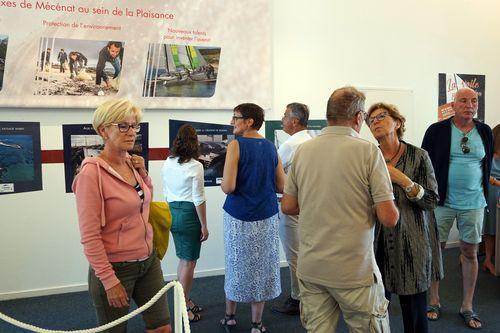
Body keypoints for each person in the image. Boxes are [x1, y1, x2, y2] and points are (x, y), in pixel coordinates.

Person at [282, 86, 399, 333]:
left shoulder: (303, 151)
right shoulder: (368, 151)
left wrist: (319, 203)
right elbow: (389, 218)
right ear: (358, 118)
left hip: (312, 268)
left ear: (328, 115)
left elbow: (288, 206)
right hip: (354, 271)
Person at [73, 99, 171, 333]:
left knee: (162, 328)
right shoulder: (91, 174)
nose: (131, 132)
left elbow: (143, 203)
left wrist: (143, 173)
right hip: (115, 267)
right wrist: (109, 280)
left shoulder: (131, 162)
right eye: (123, 126)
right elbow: (90, 235)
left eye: (134, 125)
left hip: (148, 261)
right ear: (103, 130)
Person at [367, 102, 442, 333]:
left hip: (413, 241)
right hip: (376, 241)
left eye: (381, 116)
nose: (376, 121)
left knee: (414, 313)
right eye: (371, 120)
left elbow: (431, 200)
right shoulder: (369, 157)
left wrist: (402, 179)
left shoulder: (419, 156)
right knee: (378, 307)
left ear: (397, 123)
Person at [422, 87, 493, 329]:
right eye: (463, 100)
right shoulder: (436, 130)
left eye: (473, 101)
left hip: (473, 202)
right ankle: (433, 301)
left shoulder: (484, 131)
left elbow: (486, 165)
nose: (469, 105)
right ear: (453, 105)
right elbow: (424, 164)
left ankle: (467, 306)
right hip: (442, 202)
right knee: (436, 250)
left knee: (470, 252)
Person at [220, 103, 285, 333]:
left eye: (235, 117)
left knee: (235, 264)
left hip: (239, 216)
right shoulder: (270, 147)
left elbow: (228, 187)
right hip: (266, 215)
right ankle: (257, 324)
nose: (231, 121)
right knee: (263, 268)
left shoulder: (236, 146)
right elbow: (282, 185)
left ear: (249, 121)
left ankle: (230, 317)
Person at [161, 124, 209, 322]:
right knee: (189, 262)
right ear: (194, 142)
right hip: (189, 214)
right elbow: (198, 198)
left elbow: (165, 191)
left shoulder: (168, 162)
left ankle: (184, 299)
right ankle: (183, 306)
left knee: (183, 259)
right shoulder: (195, 165)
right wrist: (204, 225)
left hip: (171, 212)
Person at [271, 103, 312, 316]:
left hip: (290, 206)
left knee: (294, 254)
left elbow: (273, 172)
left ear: (295, 121)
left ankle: (298, 298)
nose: (282, 119)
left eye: (285, 115)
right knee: (306, 251)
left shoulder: (290, 145)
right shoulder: (311, 140)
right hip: (309, 206)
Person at [482, 124, 500, 275]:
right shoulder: (488, 155)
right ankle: (488, 260)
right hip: (492, 194)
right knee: (491, 228)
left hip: (495, 190)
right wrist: (495, 182)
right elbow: (484, 176)